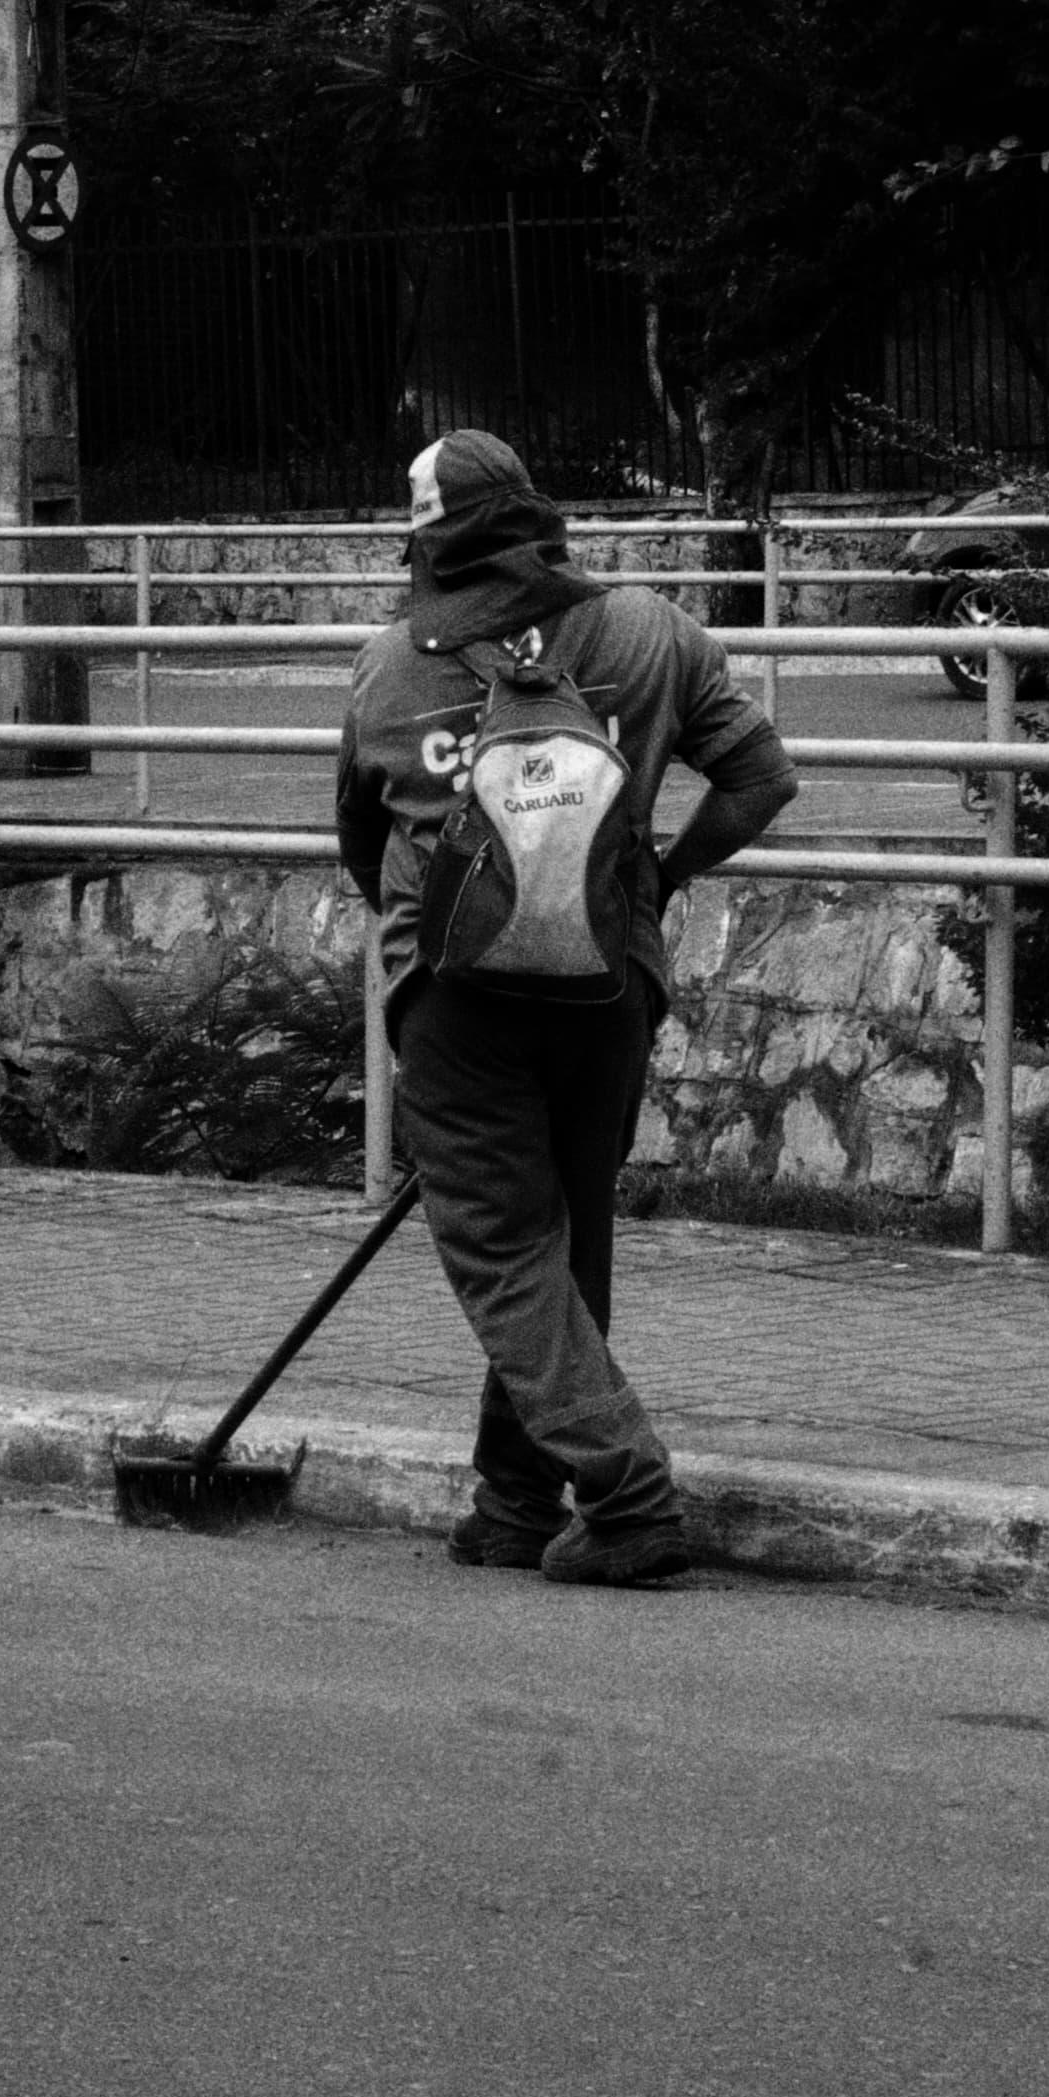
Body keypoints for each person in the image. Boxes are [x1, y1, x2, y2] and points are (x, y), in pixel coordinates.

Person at [335, 431, 799, 1588]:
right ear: (542, 518)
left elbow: (356, 836)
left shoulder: (390, 666)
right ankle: (512, 1500)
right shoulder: (650, 631)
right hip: (606, 984)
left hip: (454, 997)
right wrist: (660, 874)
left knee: (500, 1249)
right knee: (563, 1242)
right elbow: (760, 779)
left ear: (429, 543)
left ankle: (629, 1495)